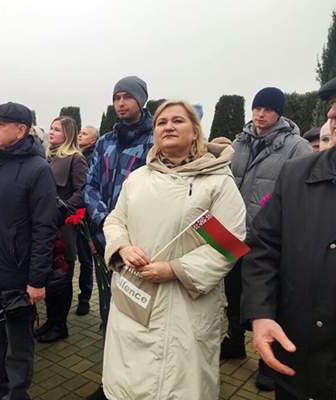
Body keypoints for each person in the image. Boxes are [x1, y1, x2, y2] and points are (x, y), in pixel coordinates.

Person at [101, 100, 246, 399]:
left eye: (177, 121)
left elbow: (227, 244)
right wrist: (123, 248)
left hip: (184, 305)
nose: (168, 126)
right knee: (127, 380)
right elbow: (116, 220)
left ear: (195, 132)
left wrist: (174, 269)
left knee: (177, 383)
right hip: (133, 297)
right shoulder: (138, 178)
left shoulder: (216, 183)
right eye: (161, 122)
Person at [241, 77, 336, 400]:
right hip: (299, 362)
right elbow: (265, 246)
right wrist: (261, 314)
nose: (332, 114)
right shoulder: (244, 145)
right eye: (331, 106)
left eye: (268, 108)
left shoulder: (294, 149)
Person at [0, 102, 57, 399]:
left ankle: (17, 394)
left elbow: (45, 228)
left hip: (17, 276)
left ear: (21, 130)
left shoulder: (38, 169)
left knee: (18, 346)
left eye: (0, 124)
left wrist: (37, 280)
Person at [222, 87, 312, 391]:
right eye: (257, 108)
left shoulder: (297, 147)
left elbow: (302, 194)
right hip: (233, 235)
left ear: (280, 113)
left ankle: (267, 363)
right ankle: (234, 340)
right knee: (233, 293)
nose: (261, 114)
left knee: (268, 299)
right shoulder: (238, 143)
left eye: (269, 110)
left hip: (269, 239)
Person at [83, 76, 154, 399]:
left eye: (127, 97)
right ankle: (111, 382)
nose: (121, 103)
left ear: (141, 100)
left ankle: (141, 384)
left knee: (138, 316)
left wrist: (123, 233)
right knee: (109, 312)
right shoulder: (104, 142)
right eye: (116, 98)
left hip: (140, 242)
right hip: (104, 240)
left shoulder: (154, 141)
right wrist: (103, 228)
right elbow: (91, 186)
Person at [35, 116, 87, 343]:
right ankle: (50, 321)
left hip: (63, 227)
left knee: (62, 278)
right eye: (51, 129)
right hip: (45, 227)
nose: (52, 132)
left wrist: (60, 211)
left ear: (68, 133)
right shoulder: (47, 157)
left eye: (57, 129)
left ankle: (60, 325)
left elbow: (82, 191)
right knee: (48, 276)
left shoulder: (76, 158)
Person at [75, 125, 100, 315]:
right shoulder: (78, 155)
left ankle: (85, 298)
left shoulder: (91, 158)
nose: (79, 135)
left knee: (86, 259)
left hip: (87, 216)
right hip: (78, 216)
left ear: (93, 141)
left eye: (84, 134)